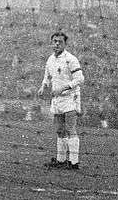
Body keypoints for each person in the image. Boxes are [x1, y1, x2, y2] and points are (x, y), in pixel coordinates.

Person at [36, 32, 84, 170]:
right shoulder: (50, 59)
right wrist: (43, 86)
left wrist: (64, 87)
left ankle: (73, 162)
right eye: (55, 41)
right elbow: (47, 75)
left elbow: (80, 79)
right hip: (57, 99)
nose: (57, 44)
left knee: (70, 129)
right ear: (51, 43)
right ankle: (61, 160)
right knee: (59, 130)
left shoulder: (71, 59)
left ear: (65, 44)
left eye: (60, 42)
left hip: (70, 98)